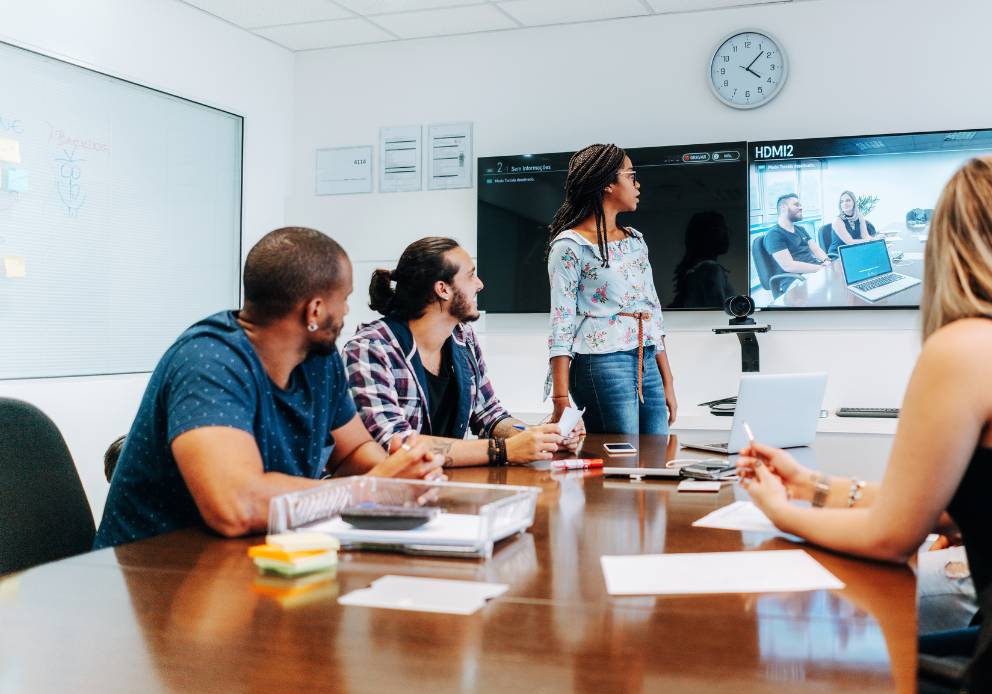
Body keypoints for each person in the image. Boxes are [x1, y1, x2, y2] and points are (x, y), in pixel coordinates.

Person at [735, 156, 992, 622]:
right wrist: (807, 484)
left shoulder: (969, 347)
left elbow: (891, 536)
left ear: (946, 244)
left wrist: (779, 511)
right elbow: (934, 509)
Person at [94, 228, 444, 549]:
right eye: (345, 299)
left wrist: (399, 471)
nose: (347, 310)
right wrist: (372, 488)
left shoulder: (319, 360)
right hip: (154, 575)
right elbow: (236, 506)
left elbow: (354, 452)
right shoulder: (208, 361)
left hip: (249, 564)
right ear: (316, 310)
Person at [344, 236, 579, 467]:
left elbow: (490, 415)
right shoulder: (370, 349)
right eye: (470, 275)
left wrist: (539, 437)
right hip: (392, 497)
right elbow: (395, 444)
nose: (480, 284)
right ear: (442, 289)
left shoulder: (463, 337)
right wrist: (503, 450)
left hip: (444, 487)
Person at [546, 143, 677, 435]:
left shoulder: (635, 240)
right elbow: (561, 322)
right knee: (619, 460)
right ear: (607, 184)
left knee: (657, 457)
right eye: (631, 176)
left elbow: (653, 312)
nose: (637, 184)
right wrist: (560, 397)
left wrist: (668, 381)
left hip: (646, 358)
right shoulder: (569, 246)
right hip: (601, 361)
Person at [671, 211, 736, 309]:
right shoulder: (711, 270)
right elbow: (719, 315)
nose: (728, 234)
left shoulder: (696, 270)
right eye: (722, 229)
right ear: (708, 235)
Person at [763, 193, 830, 274]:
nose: (801, 208)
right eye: (796, 205)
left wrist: (827, 261)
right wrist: (820, 268)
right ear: (783, 207)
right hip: (796, 278)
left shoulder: (800, 229)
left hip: (813, 270)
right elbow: (789, 266)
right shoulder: (774, 235)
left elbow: (816, 250)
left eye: (800, 205)